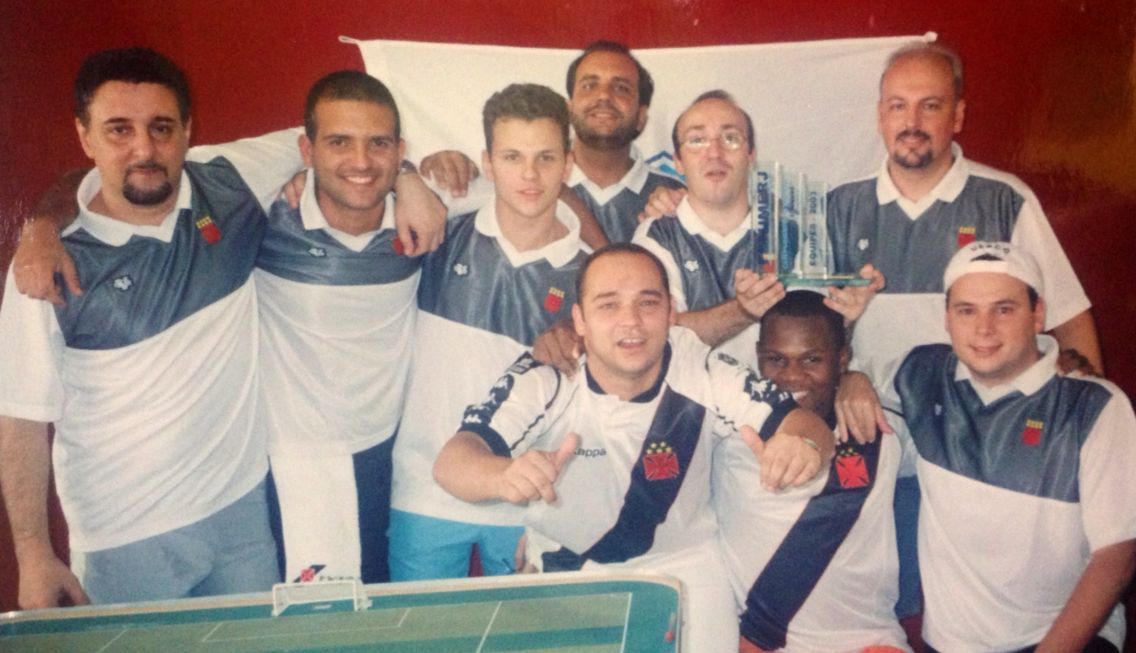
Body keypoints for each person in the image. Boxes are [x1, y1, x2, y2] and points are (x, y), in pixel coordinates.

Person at [433, 243, 836, 653]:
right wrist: (502, 475)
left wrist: (802, 444)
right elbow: (454, 460)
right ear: (579, 320)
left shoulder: (703, 370)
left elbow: (805, 425)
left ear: (670, 312)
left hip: (685, 565)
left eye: (647, 303)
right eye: (608, 305)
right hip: (566, 567)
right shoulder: (547, 376)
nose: (631, 321)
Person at [823, 42, 1102, 627]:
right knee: (894, 610)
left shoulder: (1003, 199)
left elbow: (1069, 316)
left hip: (982, 457)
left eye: (930, 105)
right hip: (885, 452)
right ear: (879, 116)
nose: (912, 122)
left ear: (958, 115)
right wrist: (847, 374)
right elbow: (813, 332)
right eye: (898, 106)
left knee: (990, 613)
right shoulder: (839, 207)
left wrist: (1083, 435)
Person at [0, 48, 289, 608]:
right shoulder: (44, 268)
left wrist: (410, 180)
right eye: (119, 130)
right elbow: (20, 420)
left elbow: (338, 136)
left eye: (161, 128)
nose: (144, 149)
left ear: (187, 130)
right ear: (84, 136)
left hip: (242, 516)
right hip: (122, 541)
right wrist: (34, 554)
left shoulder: (229, 183)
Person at [386, 83, 592, 582]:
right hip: (423, 492)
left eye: (545, 158)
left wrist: (548, 520)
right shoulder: (441, 232)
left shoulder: (591, 274)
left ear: (568, 165)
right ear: (488, 162)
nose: (529, 174)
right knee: (422, 628)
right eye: (512, 157)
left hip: (530, 501)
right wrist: (405, 174)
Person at [890, 241, 1135, 652]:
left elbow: (1118, 557)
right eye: (966, 311)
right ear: (946, 319)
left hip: (1066, 641)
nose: (984, 329)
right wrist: (855, 383)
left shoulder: (1095, 406)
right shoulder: (921, 375)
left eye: (1004, 309)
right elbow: (834, 379)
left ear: (1038, 315)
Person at [256, 70, 420, 585]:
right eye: (339, 142)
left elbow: (538, 190)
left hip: (395, 456)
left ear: (399, 151)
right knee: (317, 619)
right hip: (299, 464)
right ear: (306, 150)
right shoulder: (264, 218)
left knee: (390, 613)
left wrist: (414, 179)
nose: (361, 161)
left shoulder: (426, 214)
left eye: (379, 144)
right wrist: (44, 225)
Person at [633, 90, 881, 370]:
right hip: (689, 397)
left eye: (730, 138)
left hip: (778, 396)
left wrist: (844, 318)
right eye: (697, 140)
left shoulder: (792, 233)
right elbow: (659, 338)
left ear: (751, 154)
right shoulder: (654, 237)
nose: (714, 153)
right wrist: (742, 311)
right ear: (678, 161)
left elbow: (814, 341)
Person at [715, 290, 907, 652]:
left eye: (812, 359)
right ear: (757, 357)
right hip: (759, 643)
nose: (792, 376)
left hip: (867, 643)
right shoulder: (729, 433)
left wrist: (857, 378)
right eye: (776, 359)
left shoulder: (883, 428)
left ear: (841, 358)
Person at [420, 40, 683, 245]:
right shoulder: (513, 185)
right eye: (589, 85)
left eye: (621, 88)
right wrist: (410, 177)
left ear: (641, 117)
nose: (603, 96)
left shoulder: (678, 198)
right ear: (569, 109)